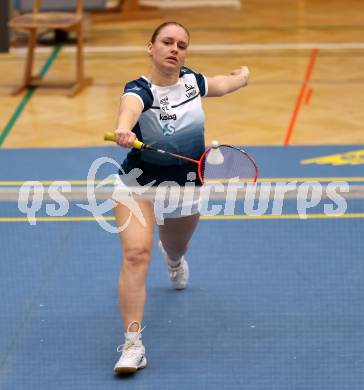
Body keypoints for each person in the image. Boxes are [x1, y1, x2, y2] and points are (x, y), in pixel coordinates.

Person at [113, 21, 249, 374]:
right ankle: (132, 346)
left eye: (182, 45)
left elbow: (220, 84)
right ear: (151, 47)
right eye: (168, 42)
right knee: (134, 255)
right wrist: (124, 129)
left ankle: (172, 260)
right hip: (137, 184)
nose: (175, 49)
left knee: (176, 246)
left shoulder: (192, 83)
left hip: (185, 186)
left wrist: (242, 77)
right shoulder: (139, 90)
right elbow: (129, 108)